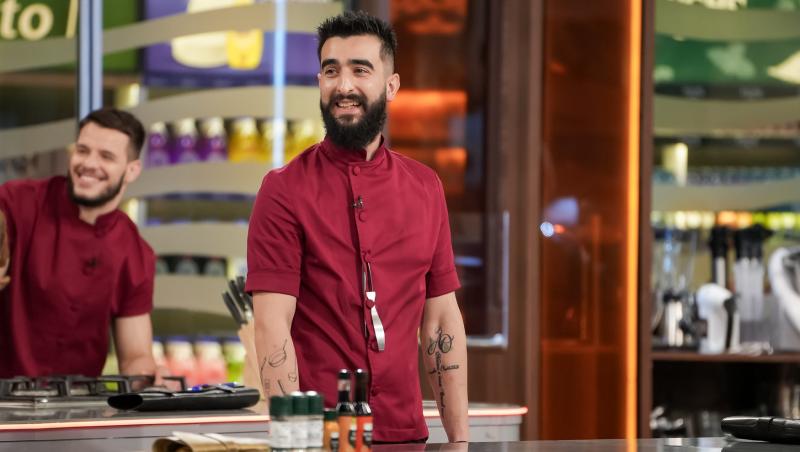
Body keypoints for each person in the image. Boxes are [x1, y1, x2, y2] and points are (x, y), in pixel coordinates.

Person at [247, 11, 468, 443]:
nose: (343, 86)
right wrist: (296, 442)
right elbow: (272, 328)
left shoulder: (425, 187)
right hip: (320, 438)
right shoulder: (283, 190)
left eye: (360, 70)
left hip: (406, 434)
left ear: (391, 85)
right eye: (331, 71)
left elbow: (441, 321)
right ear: (319, 82)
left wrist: (460, 440)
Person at [0, 108, 158, 379]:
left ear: (132, 170)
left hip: (79, 401)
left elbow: (135, 356)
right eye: (83, 150)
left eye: (106, 156)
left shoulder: (135, 251)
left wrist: (150, 378)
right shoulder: (18, 203)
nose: (89, 164)